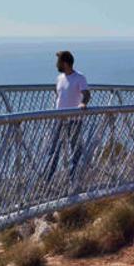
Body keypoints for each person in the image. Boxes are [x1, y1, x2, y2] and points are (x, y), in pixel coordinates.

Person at [45, 50, 90, 180]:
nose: (56, 65)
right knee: (53, 149)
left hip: (74, 119)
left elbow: (86, 94)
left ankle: (73, 178)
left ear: (65, 63)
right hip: (59, 118)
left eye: (58, 62)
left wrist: (82, 104)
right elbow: (58, 94)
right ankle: (48, 178)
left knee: (75, 149)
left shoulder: (79, 77)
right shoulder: (59, 78)